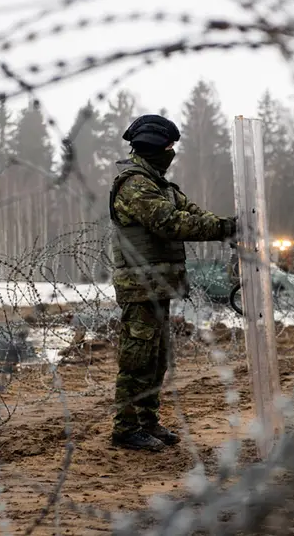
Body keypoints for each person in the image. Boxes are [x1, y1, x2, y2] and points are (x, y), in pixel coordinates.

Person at [108, 114, 237, 452]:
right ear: (153, 146)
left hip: (159, 285)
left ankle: (148, 421)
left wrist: (228, 226)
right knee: (137, 359)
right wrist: (224, 229)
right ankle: (125, 428)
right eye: (167, 147)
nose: (171, 152)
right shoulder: (134, 184)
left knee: (157, 359)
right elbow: (169, 223)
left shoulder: (160, 184)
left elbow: (193, 215)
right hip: (139, 287)